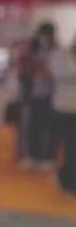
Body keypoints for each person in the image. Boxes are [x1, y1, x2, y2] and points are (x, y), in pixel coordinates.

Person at [19, 23, 57, 171]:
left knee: (50, 128)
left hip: (52, 95)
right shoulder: (34, 49)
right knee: (34, 126)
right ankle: (33, 157)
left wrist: (41, 69)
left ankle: (48, 158)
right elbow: (28, 69)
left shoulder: (55, 50)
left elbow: (50, 71)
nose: (44, 38)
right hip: (35, 94)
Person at [52, 35, 76, 192]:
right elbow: (57, 74)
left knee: (72, 147)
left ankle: (69, 180)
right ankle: (65, 180)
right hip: (63, 108)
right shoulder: (61, 55)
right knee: (67, 146)